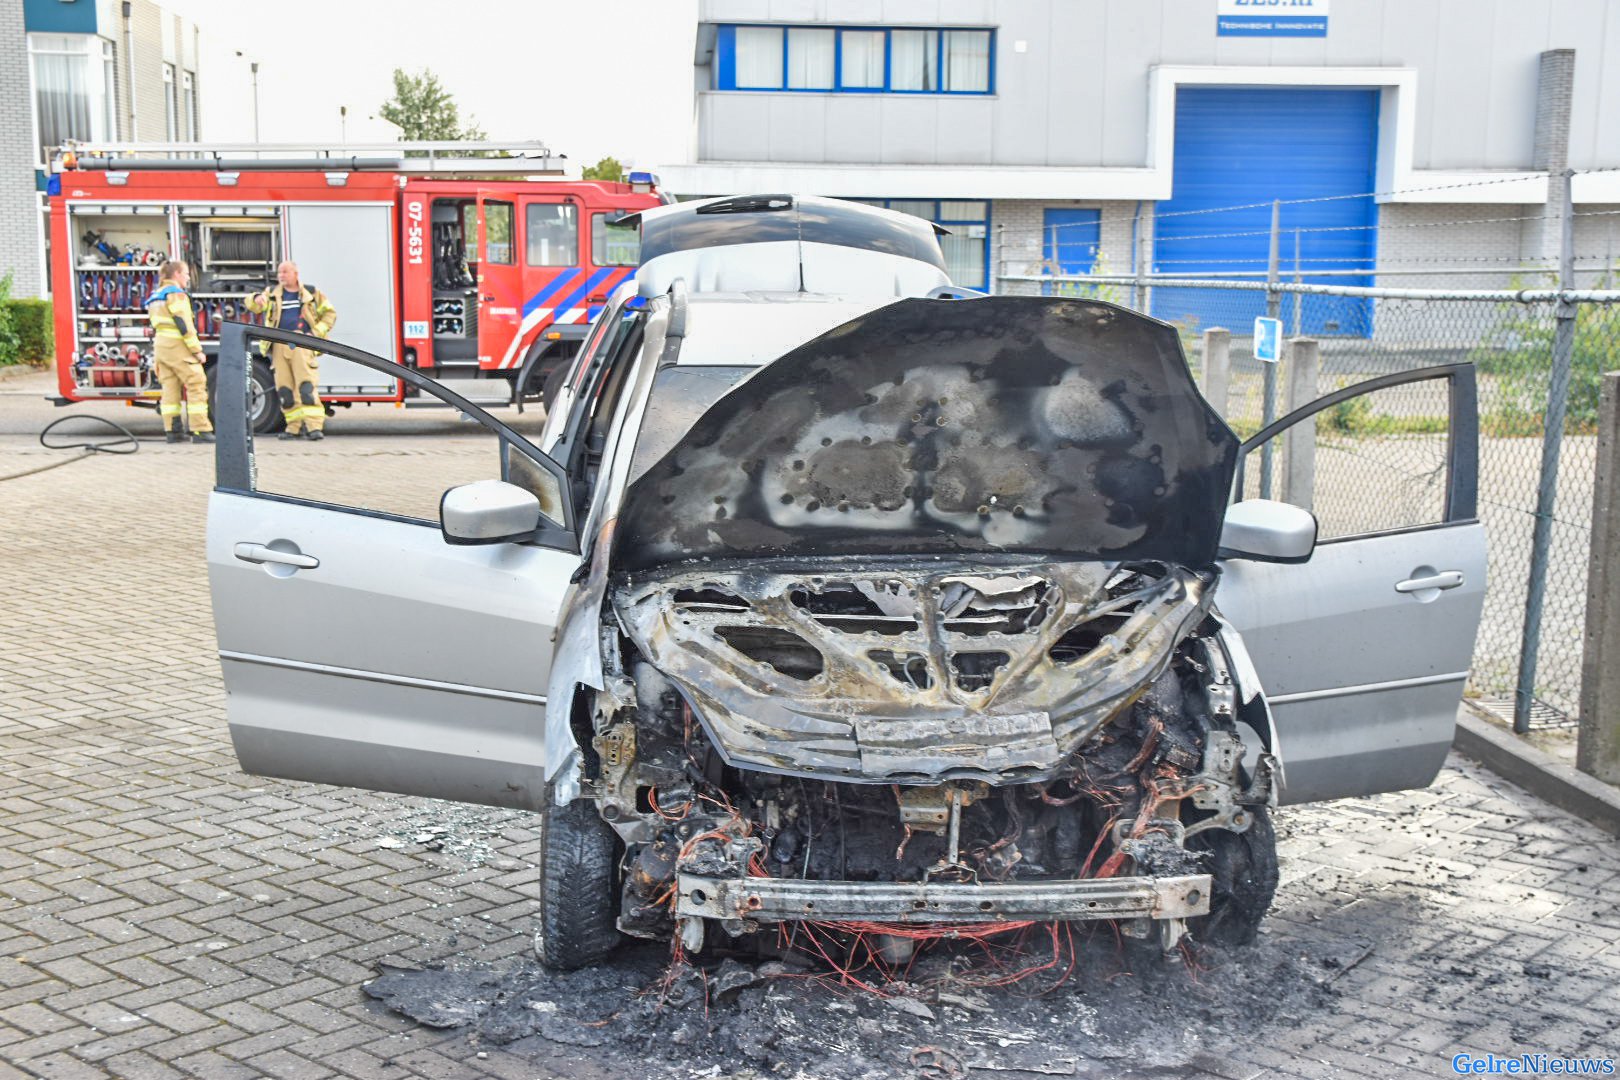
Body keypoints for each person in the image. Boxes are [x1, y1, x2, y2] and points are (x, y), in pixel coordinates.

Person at [247, 262, 337, 440]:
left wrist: (315, 333)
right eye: (279, 272)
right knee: (285, 390)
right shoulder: (272, 294)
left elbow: (330, 314)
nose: (281, 275)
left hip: (301, 345)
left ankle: (314, 428)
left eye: (285, 272)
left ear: (296, 273)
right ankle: (293, 427)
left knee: (306, 388)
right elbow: (253, 305)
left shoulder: (311, 293)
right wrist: (256, 297)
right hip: (279, 345)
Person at [145, 261, 213, 444]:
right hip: (177, 346)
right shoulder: (175, 294)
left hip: (161, 347)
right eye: (185, 273)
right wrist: (197, 351)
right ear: (176, 274)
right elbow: (184, 324)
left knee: (170, 389)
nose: (188, 277)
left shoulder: (156, 295)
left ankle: (173, 432)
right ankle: (200, 430)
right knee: (196, 382)